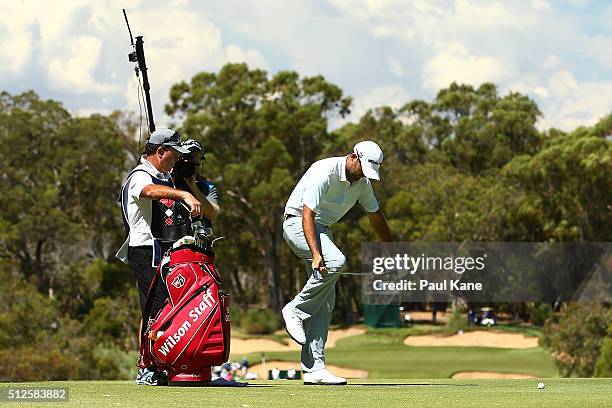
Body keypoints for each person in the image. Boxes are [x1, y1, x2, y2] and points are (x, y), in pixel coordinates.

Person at [281, 141, 392, 385]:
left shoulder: (362, 183)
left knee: (325, 301)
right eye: (362, 167)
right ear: (353, 157)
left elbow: (376, 217)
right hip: (297, 223)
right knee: (336, 260)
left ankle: (314, 369)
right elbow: (307, 214)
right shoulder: (325, 170)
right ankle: (295, 310)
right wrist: (317, 254)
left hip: (322, 231)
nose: (364, 174)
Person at [116, 128, 202, 385]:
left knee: (162, 308)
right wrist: (183, 194)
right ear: (160, 151)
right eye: (173, 154)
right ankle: (148, 367)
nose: (176, 159)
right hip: (145, 251)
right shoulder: (140, 176)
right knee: (154, 309)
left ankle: (160, 364)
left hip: (160, 252)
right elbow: (149, 192)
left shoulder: (158, 175)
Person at [171, 139, 220, 227]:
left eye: (196, 158)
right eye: (187, 157)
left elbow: (212, 214)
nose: (191, 162)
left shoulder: (206, 186)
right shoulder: (167, 181)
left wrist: (194, 187)